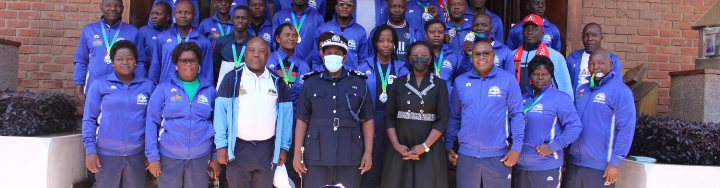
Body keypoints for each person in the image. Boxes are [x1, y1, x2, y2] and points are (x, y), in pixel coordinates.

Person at [293, 34, 374, 188]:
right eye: (328, 53)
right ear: (322, 56)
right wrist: (297, 153)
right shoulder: (310, 82)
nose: (332, 56)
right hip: (316, 155)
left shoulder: (359, 82)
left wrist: (368, 152)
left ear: (344, 58)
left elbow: (367, 119)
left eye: (337, 53)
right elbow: (303, 120)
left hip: (350, 155)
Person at [213, 37, 294, 188]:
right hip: (238, 149)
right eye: (252, 51)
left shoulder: (277, 81)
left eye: (261, 51)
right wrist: (221, 145)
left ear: (268, 54)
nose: (256, 54)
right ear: (245, 54)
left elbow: (287, 117)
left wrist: (283, 147)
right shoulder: (232, 78)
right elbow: (220, 114)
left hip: (267, 150)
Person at [445, 40, 525, 188]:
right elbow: (454, 116)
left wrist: (516, 148)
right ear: (471, 57)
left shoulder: (508, 79)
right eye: (477, 54)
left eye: (486, 53)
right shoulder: (460, 81)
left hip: (498, 155)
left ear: (494, 55)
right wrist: (449, 145)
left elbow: (517, 115)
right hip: (467, 155)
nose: (481, 57)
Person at [145, 42, 220, 188]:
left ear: (199, 64)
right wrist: (152, 156)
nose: (188, 64)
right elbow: (151, 122)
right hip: (169, 156)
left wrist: (216, 156)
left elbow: (218, 124)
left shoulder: (209, 90)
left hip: (200, 156)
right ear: (176, 64)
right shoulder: (163, 89)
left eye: (193, 60)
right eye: (183, 60)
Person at [82, 41, 155, 188]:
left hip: (137, 154)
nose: (125, 62)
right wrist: (90, 150)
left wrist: (151, 152)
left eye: (129, 58)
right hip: (106, 154)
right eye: (120, 59)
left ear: (136, 61)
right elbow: (89, 119)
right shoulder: (100, 85)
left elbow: (153, 121)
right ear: (113, 62)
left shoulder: (148, 86)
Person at [380, 41, 449, 188]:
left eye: (423, 55)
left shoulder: (439, 84)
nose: (419, 59)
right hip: (400, 147)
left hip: (429, 146)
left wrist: (425, 146)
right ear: (409, 59)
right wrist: (397, 145)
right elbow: (390, 117)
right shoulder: (397, 83)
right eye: (415, 55)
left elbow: (442, 118)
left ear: (430, 58)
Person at [564, 49, 636, 188]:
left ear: (611, 64)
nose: (595, 67)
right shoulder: (581, 90)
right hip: (574, 164)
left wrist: (615, 162)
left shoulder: (621, 91)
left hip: (601, 166)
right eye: (592, 64)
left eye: (601, 63)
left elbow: (626, 128)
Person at [513, 55, 582, 188]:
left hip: (547, 165)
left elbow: (575, 127)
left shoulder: (560, 98)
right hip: (521, 165)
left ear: (551, 76)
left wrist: (553, 146)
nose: (540, 77)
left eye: (545, 74)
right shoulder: (523, 98)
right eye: (536, 74)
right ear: (530, 76)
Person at [356, 25, 410, 188]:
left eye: (390, 41)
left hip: (395, 121)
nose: (386, 45)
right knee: (370, 164)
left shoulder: (402, 68)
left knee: (392, 165)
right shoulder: (363, 66)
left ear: (395, 44)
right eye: (381, 41)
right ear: (375, 43)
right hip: (370, 119)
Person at [74, 0, 145, 104]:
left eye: (117, 6)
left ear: (122, 9)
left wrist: (138, 88)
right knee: (93, 119)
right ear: (101, 7)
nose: (112, 9)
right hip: (94, 89)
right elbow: (81, 61)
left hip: (123, 90)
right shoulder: (89, 30)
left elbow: (140, 62)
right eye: (108, 5)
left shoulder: (133, 32)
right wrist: (80, 91)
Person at [149, 0, 213, 84]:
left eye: (187, 13)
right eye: (179, 12)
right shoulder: (162, 38)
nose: (183, 16)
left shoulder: (203, 42)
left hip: (193, 91)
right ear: (174, 15)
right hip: (167, 90)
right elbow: (155, 66)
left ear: (194, 15)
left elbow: (207, 72)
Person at [511, 14, 572, 98]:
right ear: (522, 32)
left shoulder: (554, 56)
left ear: (542, 33)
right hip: (516, 105)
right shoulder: (512, 55)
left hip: (545, 106)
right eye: (527, 29)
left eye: (535, 29)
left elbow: (564, 88)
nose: (530, 32)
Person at [311, 0, 369, 71]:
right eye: (341, 4)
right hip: (326, 77)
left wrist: (357, 78)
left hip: (351, 78)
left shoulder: (360, 31)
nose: (345, 6)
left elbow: (363, 60)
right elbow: (316, 59)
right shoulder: (323, 29)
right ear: (336, 7)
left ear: (354, 9)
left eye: (349, 4)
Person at [566, 23, 623, 90]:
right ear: (582, 38)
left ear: (601, 38)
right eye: (586, 36)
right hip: (578, 98)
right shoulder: (572, 59)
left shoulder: (612, 59)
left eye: (594, 35)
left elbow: (618, 86)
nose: (590, 39)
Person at [213, 6, 254, 87]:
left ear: (249, 21)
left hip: (248, 86)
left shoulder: (254, 42)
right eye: (237, 18)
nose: (240, 21)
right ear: (232, 20)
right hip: (225, 86)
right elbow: (216, 64)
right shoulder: (222, 41)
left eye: (244, 18)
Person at [424, 19, 458, 94]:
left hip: (446, 102)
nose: (437, 35)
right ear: (426, 34)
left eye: (440, 32)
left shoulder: (451, 56)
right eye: (432, 32)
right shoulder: (420, 54)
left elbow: (456, 78)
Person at [139, 2, 172, 74]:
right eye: (152, 13)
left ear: (168, 17)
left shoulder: (173, 33)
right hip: (148, 73)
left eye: (158, 14)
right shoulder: (144, 31)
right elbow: (139, 58)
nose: (154, 16)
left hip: (167, 73)